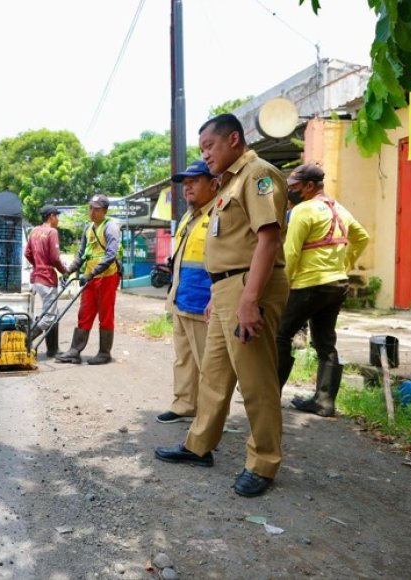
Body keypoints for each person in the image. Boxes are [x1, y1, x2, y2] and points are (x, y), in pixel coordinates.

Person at [155, 114, 290, 498]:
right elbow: (231, 244)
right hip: (227, 290)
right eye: (202, 149)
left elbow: (267, 240)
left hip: (251, 287)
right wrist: (220, 294)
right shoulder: (229, 183)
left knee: (255, 379)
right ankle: (199, 445)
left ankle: (264, 461)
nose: (206, 156)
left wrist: (248, 300)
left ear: (233, 140)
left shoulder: (259, 175)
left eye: (209, 147)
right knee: (213, 375)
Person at [277, 164, 370, 416]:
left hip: (309, 284)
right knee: (325, 342)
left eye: (294, 187)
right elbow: (362, 237)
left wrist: (284, 285)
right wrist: (345, 263)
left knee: (281, 334)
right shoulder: (338, 208)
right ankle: (324, 400)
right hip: (336, 284)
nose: (290, 192)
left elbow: (292, 251)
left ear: (309, 186)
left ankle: (269, 392)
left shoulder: (303, 210)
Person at [156, 160, 218, 424]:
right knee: (184, 359)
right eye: (185, 182)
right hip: (182, 298)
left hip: (205, 302)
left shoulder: (220, 214)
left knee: (210, 365)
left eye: (195, 180)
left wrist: (217, 297)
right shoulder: (188, 217)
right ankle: (184, 404)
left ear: (213, 183)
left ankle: (210, 417)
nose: (188, 186)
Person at [55, 193, 121, 365]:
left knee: (105, 315)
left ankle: (104, 353)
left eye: (97, 209)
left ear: (104, 211)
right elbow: (81, 254)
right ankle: (74, 351)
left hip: (106, 277)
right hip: (90, 278)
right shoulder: (88, 228)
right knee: (84, 313)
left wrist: (92, 273)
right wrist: (69, 271)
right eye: (91, 208)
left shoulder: (110, 227)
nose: (92, 212)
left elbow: (111, 255)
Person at [25, 204, 67, 357]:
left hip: (37, 278)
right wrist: (64, 271)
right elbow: (55, 258)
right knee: (49, 316)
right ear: (51, 216)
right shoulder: (52, 232)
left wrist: (38, 265)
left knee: (52, 313)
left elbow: (27, 253)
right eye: (57, 216)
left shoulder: (34, 231)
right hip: (48, 278)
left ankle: (52, 349)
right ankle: (25, 338)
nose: (58, 219)